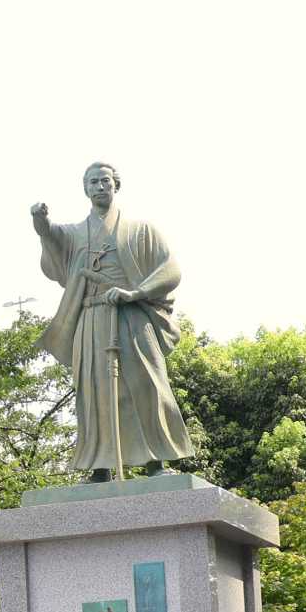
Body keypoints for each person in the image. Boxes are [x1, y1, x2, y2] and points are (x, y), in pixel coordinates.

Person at [31, 161, 193, 479]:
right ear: (85, 189)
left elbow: (170, 269)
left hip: (132, 317)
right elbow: (53, 242)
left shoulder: (141, 231)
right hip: (90, 319)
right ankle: (100, 466)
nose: (100, 186)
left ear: (116, 185)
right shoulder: (77, 233)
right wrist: (41, 222)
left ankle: (155, 461)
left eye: (105, 181)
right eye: (93, 182)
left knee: (146, 384)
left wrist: (136, 292)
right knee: (94, 391)